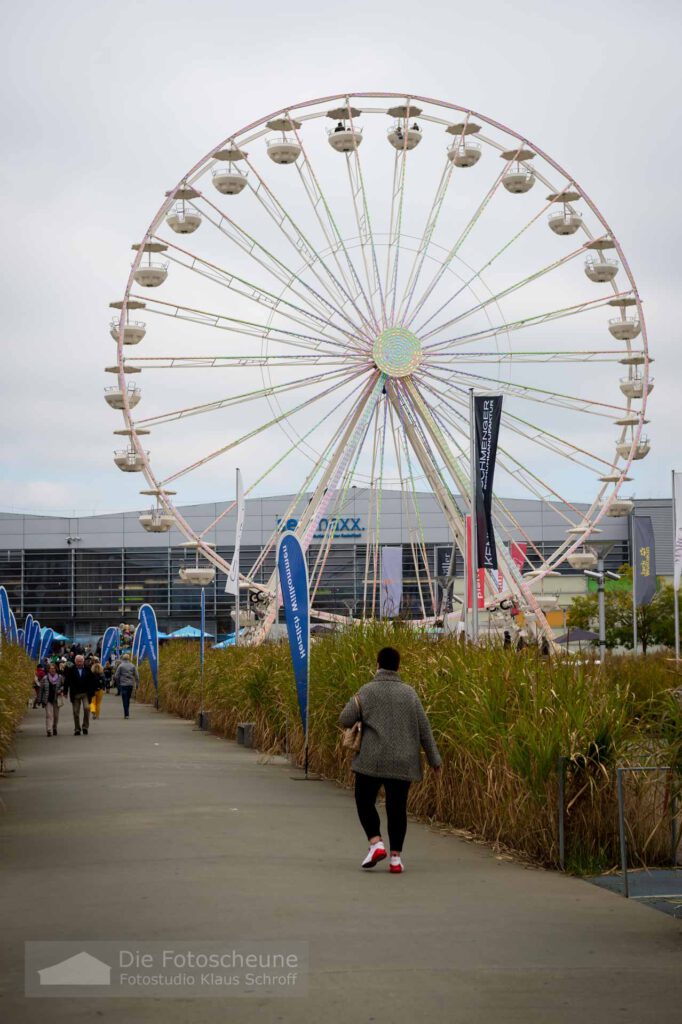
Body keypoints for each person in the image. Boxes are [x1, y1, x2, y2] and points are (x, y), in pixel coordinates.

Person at [338, 646, 442, 874]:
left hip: (372, 760)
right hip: (404, 761)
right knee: (397, 808)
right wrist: (435, 760)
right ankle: (396, 859)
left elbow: (345, 718)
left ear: (377, 665)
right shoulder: (410, 693)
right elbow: (425, 729)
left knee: (364, 800)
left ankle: (376, 843)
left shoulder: (367, 691)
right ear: (398, 667)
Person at [63, 654, 96, 735]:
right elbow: (66, 681)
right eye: (78, 661)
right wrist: (65, 692)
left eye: (81, 661)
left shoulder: (88, 670)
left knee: (87, 708)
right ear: (75, 662)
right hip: (75, 693)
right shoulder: (71, 670)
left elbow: (93, 681)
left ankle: (85, 727)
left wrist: (92, 692)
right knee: (75, 712)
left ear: (83, 661)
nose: (79, 663)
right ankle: (77, 729)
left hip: (85, 693)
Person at [40, 662, 64, 736]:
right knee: (49, 715)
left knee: (56, 716)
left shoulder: (60, 677)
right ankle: (49, 730)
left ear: (56, 669)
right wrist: (39, 700)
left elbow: (63, 686)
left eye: (53, 668)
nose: (52, 670)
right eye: (51, 668)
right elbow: (41, 690)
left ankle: (54, 727)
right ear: (48, 670)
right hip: (47, 699)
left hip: (56, 699)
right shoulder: (45, 678)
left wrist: (60, 690)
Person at [114, 654, 139, 719]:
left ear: (123, 658)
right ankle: (127, 712)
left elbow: (116, 676)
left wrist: (118, 683)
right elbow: (137, 676)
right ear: (129, 658)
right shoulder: (132, 666)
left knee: (124, 699)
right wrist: (137, 684)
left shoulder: (121, 666)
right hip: (130, 684)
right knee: (128, 699)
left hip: (123, 684)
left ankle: (126, 714)